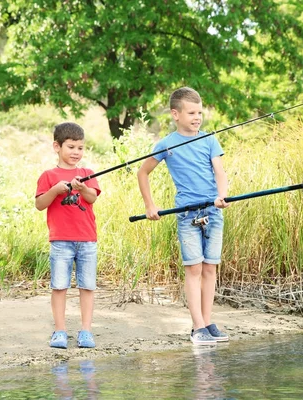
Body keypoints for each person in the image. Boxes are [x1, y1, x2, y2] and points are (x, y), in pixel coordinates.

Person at [137, 87, 230, 345]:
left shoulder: (210, 139)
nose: (197, 117)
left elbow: (220, 172)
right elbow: (142, 173)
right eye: (191, 112)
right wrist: (150, 206)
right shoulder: (166, 144)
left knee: (210, 268)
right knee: (194, 268)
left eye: (199, 112)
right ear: (175, 114)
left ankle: (208, 323)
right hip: (187, 214)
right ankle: (197, 327)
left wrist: (223, 195)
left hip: (213, 210)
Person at [35, 122, 101, 349]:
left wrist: (81, 188)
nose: (76, 152)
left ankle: (86, 331)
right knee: (59, 286)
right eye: (71, 147)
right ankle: (60, 331)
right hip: (60, 240)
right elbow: (39, 204)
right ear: (57, 146)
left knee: (87, 286)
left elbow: (92, 198)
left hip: (87, 240)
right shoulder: (48, 175)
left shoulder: (87, 174)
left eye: (80, 148)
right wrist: (55, 190)